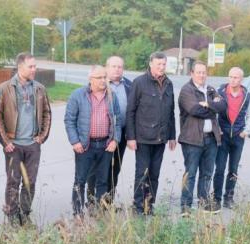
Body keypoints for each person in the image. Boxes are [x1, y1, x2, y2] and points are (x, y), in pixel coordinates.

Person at [0, 52, 52, 226]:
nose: (34, 69)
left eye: (35, 66)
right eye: (31, 66)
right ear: (20, 67)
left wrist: (42, 137)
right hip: (14, 145)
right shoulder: (4, 88)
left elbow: (47, 113)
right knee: (13, 182)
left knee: (30, 183)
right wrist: (5, 142)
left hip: (33, 145)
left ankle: (25, 215)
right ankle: (12, 216)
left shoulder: (40, 88)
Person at [64, 65, 121, 217]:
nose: (103, 80)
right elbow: (69, 120)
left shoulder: (111, 95)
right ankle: (78, 213)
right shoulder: (78, 95)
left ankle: (98, 211)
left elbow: (117, 120)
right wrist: (75, 141)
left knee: (103, 181)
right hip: (85, 145)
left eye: (105, 77)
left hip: (105, 145)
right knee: (80, 180)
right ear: (91, 79)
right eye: (99, 78)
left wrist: (115, 139)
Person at [125, 52, 176, 215]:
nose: (161, 67)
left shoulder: (169, 84)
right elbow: (130, 111)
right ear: (151, 64)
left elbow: (171, 112)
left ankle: (149, 205)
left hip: (161, 138)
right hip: (143, 138)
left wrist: (172, 136)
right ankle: (138, 206)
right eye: (158, 64)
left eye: (163, 64)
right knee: (142, 173)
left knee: (154, 174)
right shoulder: (139, 82)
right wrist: (131, 137)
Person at [178, 61, 227, 216]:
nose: (201, 75)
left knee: (207, 173)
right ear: (192, 73)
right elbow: (194, 110)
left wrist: (207, 104)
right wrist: (213, 108)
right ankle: (185, 206)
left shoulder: (211, 89)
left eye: (204, 72)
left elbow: (223, 106)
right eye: (198, 72)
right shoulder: (187, 90)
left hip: (211, 138)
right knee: (190, 173)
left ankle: (204, 203)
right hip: (192, 139)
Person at [87, 56, 132, 206]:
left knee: (115, 168)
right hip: (101, 136)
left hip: (121, 135)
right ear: (106, 68)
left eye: (120, 66)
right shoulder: (98, 84)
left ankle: (108, 202)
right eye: (113, 66)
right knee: (97, 169)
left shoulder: (129, 86)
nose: (117, 69)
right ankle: (93, 201)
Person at [214, 67, 250, 209]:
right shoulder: (219, 92)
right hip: (223, 136)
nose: (232, 80)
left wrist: (246, 131)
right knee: (219, 168)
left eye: (236, 77)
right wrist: (217, 128)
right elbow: (214, 112)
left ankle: (228, 198)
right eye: (230, 76)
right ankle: (216, 198)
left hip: (238, 136)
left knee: (233, 169)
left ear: (241, 79)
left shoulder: (247, 95)